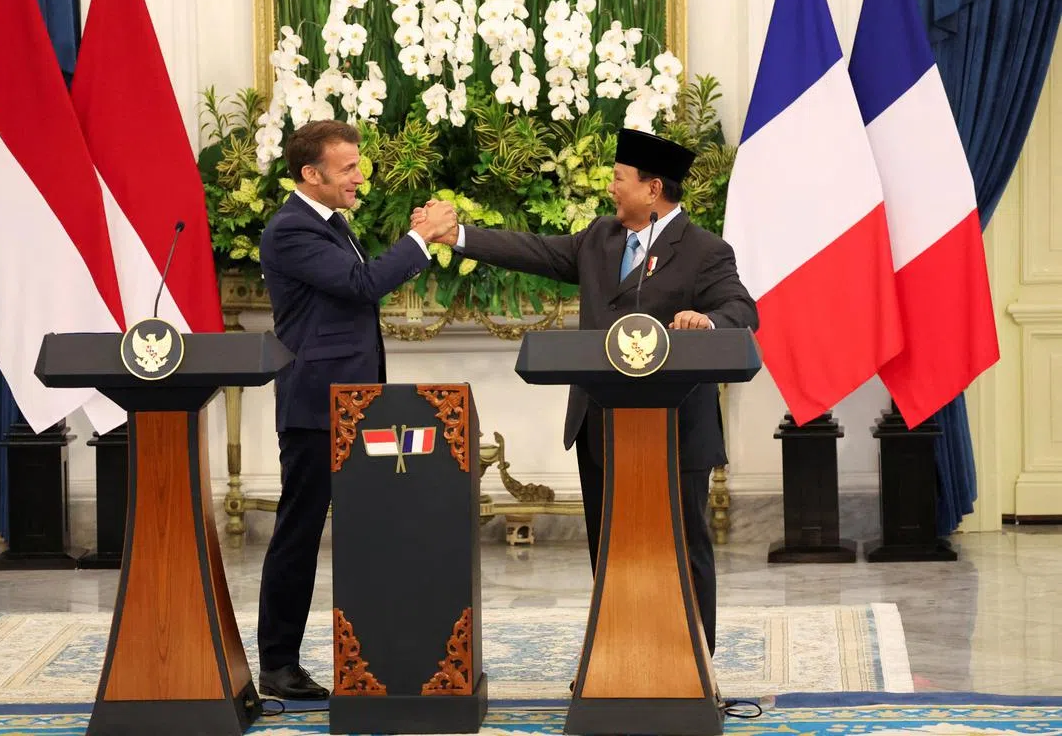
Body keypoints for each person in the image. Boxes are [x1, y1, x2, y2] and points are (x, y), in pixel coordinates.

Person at [417, 128, 758, 655]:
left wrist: (707, 320)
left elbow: (742, 310)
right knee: (609, 549)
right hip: (601, 421)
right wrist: (458, 235)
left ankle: (694, 665)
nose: (611, 189)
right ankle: (618, 659)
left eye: (620, 180)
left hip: (677, 431)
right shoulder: (598, 238)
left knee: (684, 548)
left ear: (653, 189)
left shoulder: (706, 251)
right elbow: (534, 250)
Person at [257, 120, 457, 700]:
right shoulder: (292, 230)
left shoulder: (329, 222)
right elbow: (362, 284)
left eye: (358, 163)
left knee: (371, 529)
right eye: (347, 168)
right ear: (310, 175)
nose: (359, 175)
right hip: (316, 406)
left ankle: (378, 652)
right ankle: (277, 664)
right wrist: (420, 237)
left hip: (354, 403)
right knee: (298, 533)